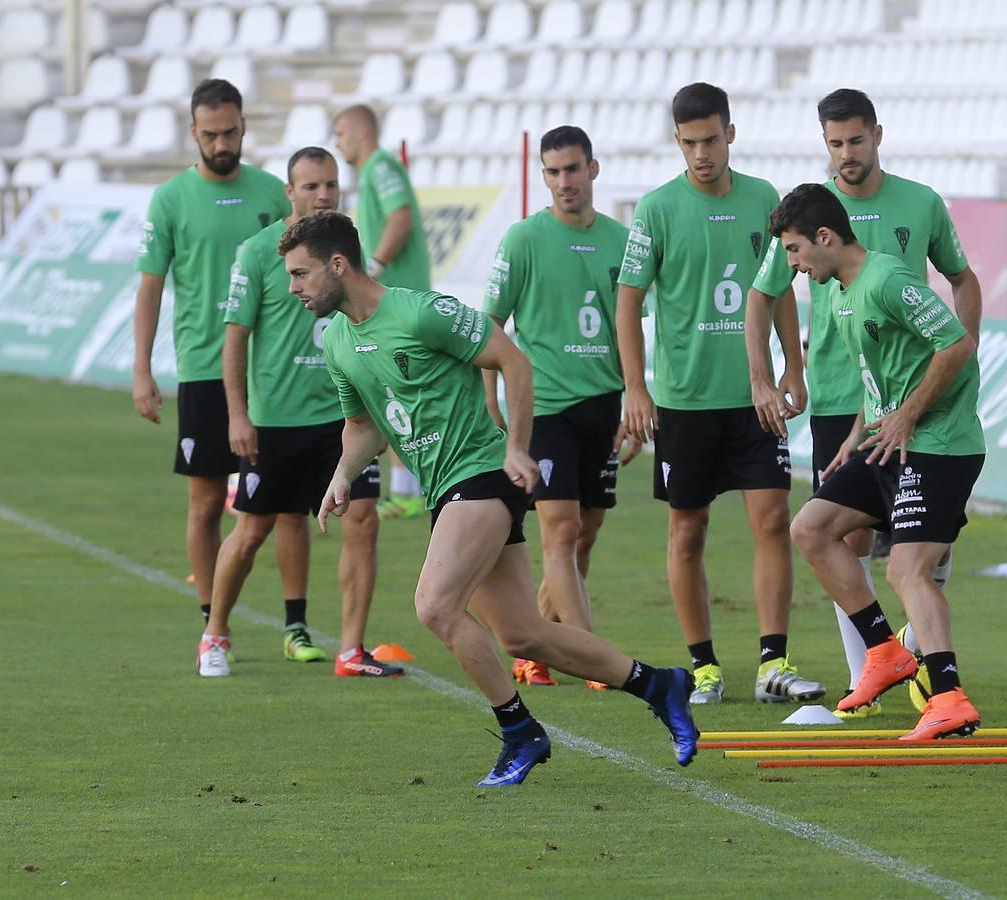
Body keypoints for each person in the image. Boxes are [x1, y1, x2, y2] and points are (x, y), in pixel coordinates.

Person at [282, 211, 698, 786]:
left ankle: (519, 731)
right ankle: (659, 684)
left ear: (337, 264)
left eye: (300, 275)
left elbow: (512, 360)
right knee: (523, 634)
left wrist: (519, 449)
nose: (293, 289)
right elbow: (365, 425)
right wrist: (342, 475)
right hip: (447, 488)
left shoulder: (420, 311)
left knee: (434, 606)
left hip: (481, 474)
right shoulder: (337, 343)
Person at [747, 88, 982, 718]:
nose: (792, 267)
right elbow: (877, 379)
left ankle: (947, 695)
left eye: (796, 251)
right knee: (813, 527)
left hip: (935, 439)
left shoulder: (883, 279)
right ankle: (883, 653)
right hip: (883, 434)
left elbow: (955, 343)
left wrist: (907, 414)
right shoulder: (846, 291)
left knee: (910, 569)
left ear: (823, 237)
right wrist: (859, 432)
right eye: (835, 143)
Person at [615, 82, 825, 706]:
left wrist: (793, 367)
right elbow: (628, 305)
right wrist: (637, 388)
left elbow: (780, 287)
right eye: (689, 142)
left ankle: (772, 663)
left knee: (771, 519)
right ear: (677, 142)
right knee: (688, 530)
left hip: (754, 398)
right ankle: (703, 667)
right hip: (684, 400)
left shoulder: (764, 199)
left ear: (730, 134)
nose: (701, 153)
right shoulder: (655, 209)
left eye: (710, 139)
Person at [197, 146, 399, 679]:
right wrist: (238, 415)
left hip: (345, 417)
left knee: (363, 521)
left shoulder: (346, 253)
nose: (323, 195)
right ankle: (214, 631)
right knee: (253, 530)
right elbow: (235, 338)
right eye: (311, 186)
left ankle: (351, 649)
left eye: (331, 184)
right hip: (277, 419)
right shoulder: (258, 252)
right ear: (289, 192)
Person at [482, 125, 639, 690]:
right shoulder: (524, 239)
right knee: (560, 530)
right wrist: (493, 404)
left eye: (573, 169)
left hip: (605, 406)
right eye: (552, 172)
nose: (564, 181)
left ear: (592, 169)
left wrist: (635, 403)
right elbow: (489, 328)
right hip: (545, 407)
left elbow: (634, 332)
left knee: (584, 532)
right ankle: (595, 660)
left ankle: (534, 644)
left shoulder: (622, 241)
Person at [132, 78, 293, 630]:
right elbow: (150, 287)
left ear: (244, 125)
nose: (221, 143)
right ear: (192, 132)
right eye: (210, 134)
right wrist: (142, 371)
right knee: (204, 505)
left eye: (229, 132)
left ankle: (295, 623)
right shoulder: (171, 199)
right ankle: (211, 620)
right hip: (203, 368)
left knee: (280, 506)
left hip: (270, 370)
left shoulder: (274, 194)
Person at [333, 103, 432, 520]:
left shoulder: (381, 167)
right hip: (395, 301)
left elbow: (401, 217)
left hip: (400, 300)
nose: (337, 144)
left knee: (404, 394)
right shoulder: (373, 171)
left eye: (339, 134)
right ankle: (408, 489)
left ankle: (414, 490)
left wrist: (374, 266)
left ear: (358, 132)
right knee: (396, 394)